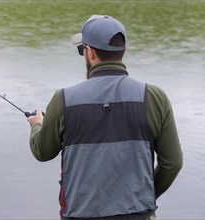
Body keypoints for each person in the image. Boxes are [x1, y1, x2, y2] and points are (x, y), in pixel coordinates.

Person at [27, 15, 183, 220]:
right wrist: (144, 196)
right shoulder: (155, 97)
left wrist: (37, 125)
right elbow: (172, 163)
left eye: (82, 49)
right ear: (122, 51)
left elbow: (43, 151)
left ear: (90, 52)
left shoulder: (63, 99)